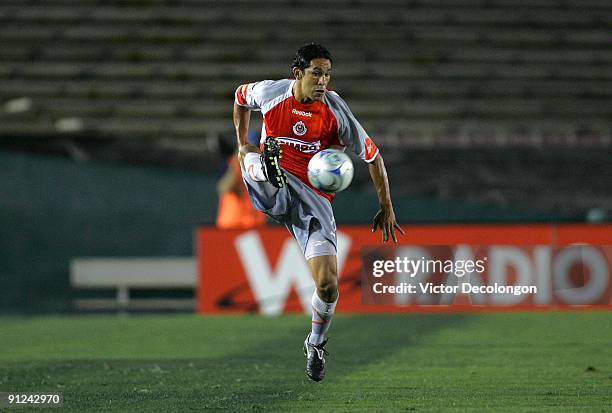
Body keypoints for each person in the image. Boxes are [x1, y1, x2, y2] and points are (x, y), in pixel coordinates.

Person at [233, 43, 404, 382]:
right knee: (257, 163)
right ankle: (260, 167)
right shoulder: (272, 93)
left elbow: (373, 156)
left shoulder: (335, 110)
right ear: (297, 73)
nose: (323, 80)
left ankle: (315, 344)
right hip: (275, 186)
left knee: (328, 285)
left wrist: (386, 205)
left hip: (314, 200)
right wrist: (242, 143)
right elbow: (240, 97)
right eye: (316, 73)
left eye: (327, 74)